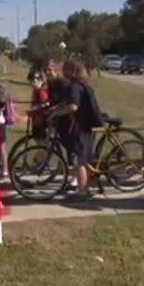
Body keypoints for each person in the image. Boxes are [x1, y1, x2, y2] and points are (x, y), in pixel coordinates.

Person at [47, 60, 95, 202]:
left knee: (80, 161)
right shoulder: (79, 85)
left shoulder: (74, 86)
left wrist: (57, 113)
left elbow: (73, 106)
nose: (64, 72)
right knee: (80, 158)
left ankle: (83, 192)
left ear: (72, 71)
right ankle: (82, 187)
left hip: (81, 126)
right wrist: (56, 109)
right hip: (83, 125)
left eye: (66, 69)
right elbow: (66, 102)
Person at [27, 70, 49, 140]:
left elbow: (46, 104)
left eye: (35, 80)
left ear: (40, 80)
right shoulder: (35, 91)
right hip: (36, 121)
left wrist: (34, 109)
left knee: (42, 145)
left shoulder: (41, 92)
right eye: (31, 80)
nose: (33, 82)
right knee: (38, 142)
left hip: (42, 122)